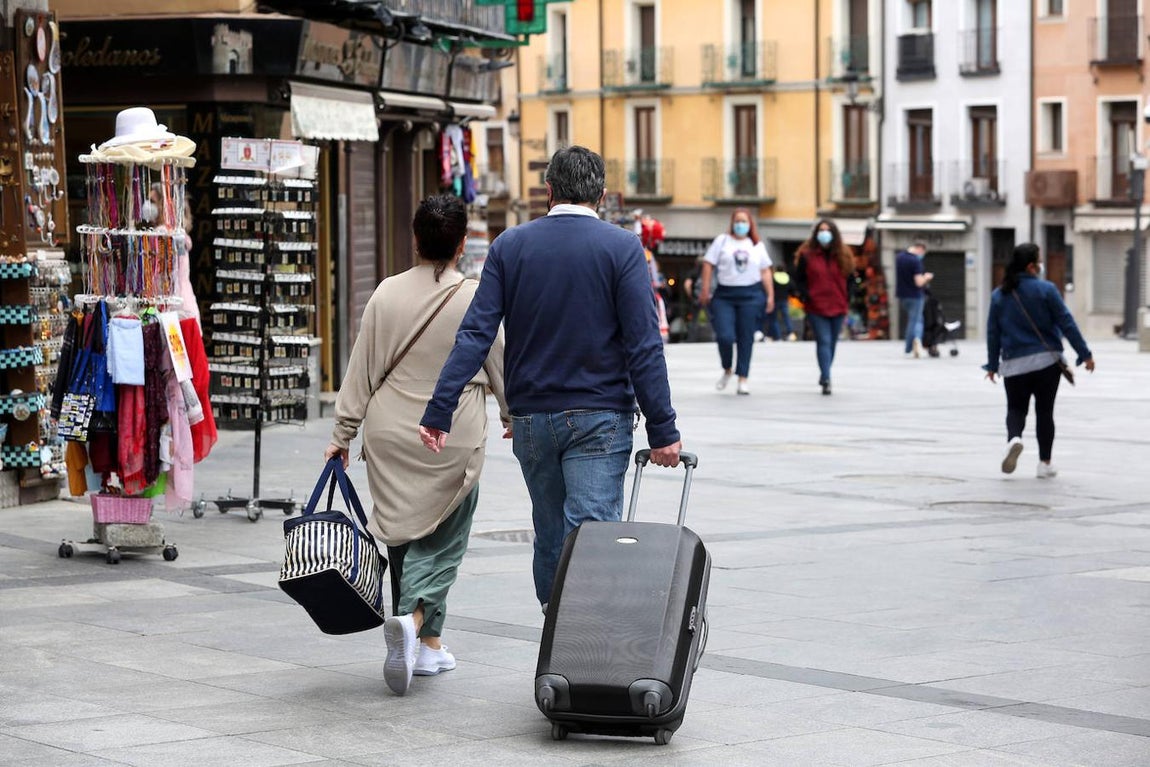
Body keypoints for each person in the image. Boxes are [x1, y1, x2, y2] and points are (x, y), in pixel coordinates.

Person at [418, 145, 682, 613]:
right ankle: (582, 647)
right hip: (601, 416)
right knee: (592, 533)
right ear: (601, 195)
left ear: (548, 191)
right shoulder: (622, 248)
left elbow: (476, 333)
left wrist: (440, 408)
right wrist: (663, 429)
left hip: (533, 418)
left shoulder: (510, 246)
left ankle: (557, 627)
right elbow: (643, 345)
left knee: (551, 532)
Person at [324, 195, 510, 697]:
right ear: (462, 244)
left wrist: (341, 436)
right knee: (446, 537)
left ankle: (428, 646)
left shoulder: (385, 293)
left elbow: (360, 370)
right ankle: (412, 619)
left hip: (388, 430)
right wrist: (513, 414)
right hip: (451, 432)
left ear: (415, 239)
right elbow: (497, 362)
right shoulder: (475, 296)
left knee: (405, 535)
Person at [984, 243, 1094, 478]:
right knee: (1045, 411)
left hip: (1014, 363)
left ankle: (1014, 439)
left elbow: (993, 333)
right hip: (1046, 362)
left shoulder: (999, 295)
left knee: (1015, 408)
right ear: (1032, 266)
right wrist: (1084, 354)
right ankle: (1045, 464)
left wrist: (992, 365)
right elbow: (1066, 322)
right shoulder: (1047, 289)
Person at [698, 209, 774, 395]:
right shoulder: (722, 241)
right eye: (737, 221)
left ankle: (743, 378)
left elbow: (765, 271)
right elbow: (708, 263)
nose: (741, 224)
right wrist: (705, 288)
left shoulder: (757, 245)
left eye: (744, 221)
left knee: (746, 336)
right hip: (725, 295)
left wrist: (770, 295)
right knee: (724, 336)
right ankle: (727, 368)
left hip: (751, 294)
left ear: (750, 224)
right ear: (732, 223)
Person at [793, 219, 853, 396]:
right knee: (824, 340)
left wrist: (848, 296)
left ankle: (824, 372)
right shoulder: (806, 255)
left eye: (827, 230)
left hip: (838, 304)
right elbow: (799, 279)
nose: (824, 234)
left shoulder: (844, 255)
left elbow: (851, 279)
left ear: (834, 234)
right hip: (816, 306)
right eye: (821, 230)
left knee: (832, 342)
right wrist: (806, 295)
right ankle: (826, 378)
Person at [895, 241, 933, 358]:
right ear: (920, 249)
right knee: (915, 321)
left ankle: (914, 342)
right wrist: (926, 277)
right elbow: (918, 282)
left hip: (902, 295)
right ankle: (912, 344)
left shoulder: (899, 257)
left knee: (916, 319)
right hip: (915, 295)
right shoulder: (915, 261)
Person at [765, 267, 796, 342]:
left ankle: (777, 336)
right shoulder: (787, 277)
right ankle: (791, 333)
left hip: (775, 300)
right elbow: (793, 288)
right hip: (784, 300)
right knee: (786, 317)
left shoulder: (773, 277)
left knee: (773, 318)